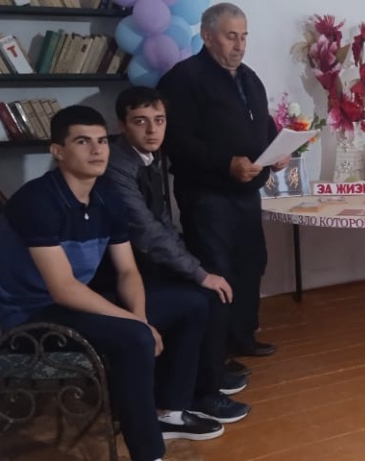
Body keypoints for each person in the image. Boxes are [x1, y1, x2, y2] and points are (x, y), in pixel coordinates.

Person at [0, 106, 223, 461]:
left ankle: (170, 412)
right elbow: (63, 289)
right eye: (83, 142)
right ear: (58, 151)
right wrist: (137, 325)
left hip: (77, 303)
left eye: (101, 141)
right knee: (136, 337)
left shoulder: (107, 197)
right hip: (33, 317)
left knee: (194, 302)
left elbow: (127, 271)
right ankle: (148, 453)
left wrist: (140, 316)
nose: (97, 150)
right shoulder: (36, 201)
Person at [99, 86, 252, 424]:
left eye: (159, 120)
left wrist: (196, 267)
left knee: (216, 277)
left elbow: (163, 221)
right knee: (204, 293)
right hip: (117, 272)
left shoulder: (147, 157)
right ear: (122, 124)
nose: (152, 130)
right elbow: (145, 231)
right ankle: (201, 393)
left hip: (143, 260)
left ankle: (205, 377)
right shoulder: (117, 166)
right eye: (140, 121)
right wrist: (198, 273)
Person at [157, 2, 288, 358]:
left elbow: (263, 123)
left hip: (247, 191)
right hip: (207, 195)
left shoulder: (249, 77)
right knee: (216, 269)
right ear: (207, 35)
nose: (239, 45)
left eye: (244, 37)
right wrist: (225, 165)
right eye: (231, 36)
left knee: (251, 262)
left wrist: (277, 150)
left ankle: (242, 337)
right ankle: (215, 354)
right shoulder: (183, 79)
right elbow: (175, 139)